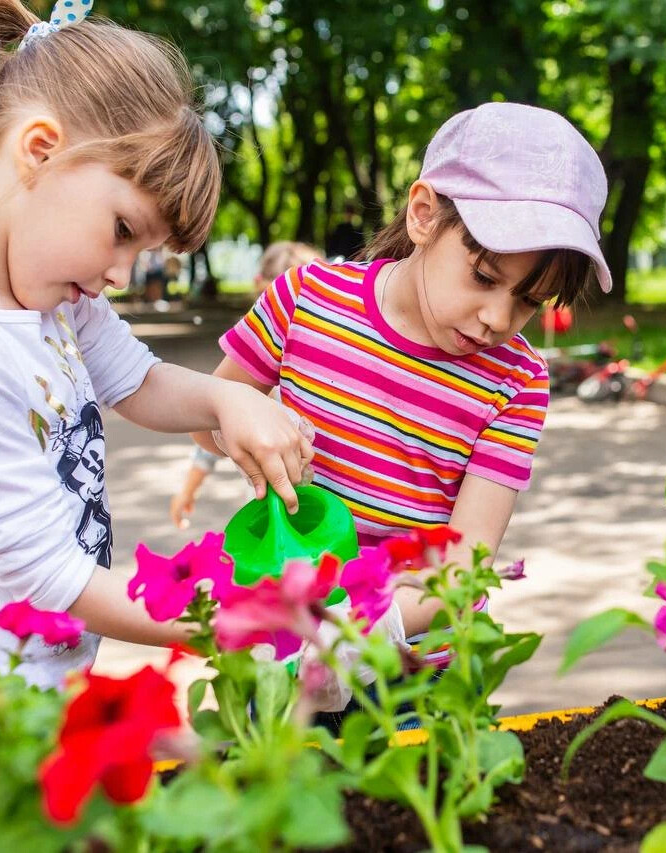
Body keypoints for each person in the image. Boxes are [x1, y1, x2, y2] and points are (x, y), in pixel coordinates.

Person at [0, 0, 313, 755]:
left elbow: (135, 380)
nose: (116, 274)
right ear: (40, 150)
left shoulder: (36, 288)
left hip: (35, 701)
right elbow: (58, 580)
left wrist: (226, 396)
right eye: (121, 231)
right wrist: (244, 617)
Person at [196, 102, 610, 640]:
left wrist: (357, 633)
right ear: (423, 213)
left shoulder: (517, 380)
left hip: (417, 665)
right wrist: (250, 426)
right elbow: (203, 423)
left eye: (528, 301)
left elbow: (464, 566)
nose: (497, 319)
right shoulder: (306, 300)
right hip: (287, 636)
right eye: (484, 277)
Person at [170, 239, 321, 528]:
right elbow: (217, 424)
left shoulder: (254, 356)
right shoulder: (251, 361)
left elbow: (214, 429)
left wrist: (188, 489)